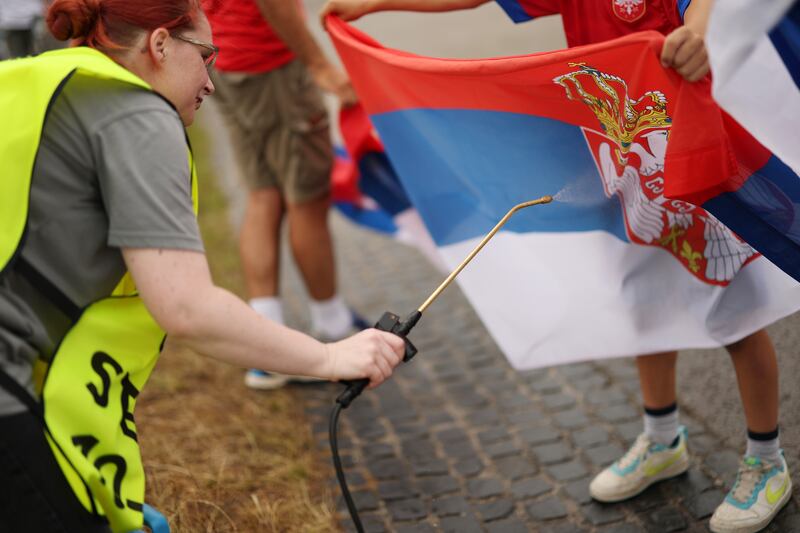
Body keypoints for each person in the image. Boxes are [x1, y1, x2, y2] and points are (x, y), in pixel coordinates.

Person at [320, 1, 792, 532]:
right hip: (624, 166)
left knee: (737, 312)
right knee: (645, 296)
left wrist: (701, 33)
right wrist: (374, 3)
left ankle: (765, 459)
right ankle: (662, 439)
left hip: (696, 157)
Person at [0, 0, 405, 531]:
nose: (212, 82)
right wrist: (330, 357)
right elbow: (187, 307)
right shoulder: (138, 112)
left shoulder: (39, 78)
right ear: (160, 45)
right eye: (207, 55)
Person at [203, 0, 366, 391]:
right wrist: (319, 65)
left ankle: (267, 346)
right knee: (306, 200)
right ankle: (332, 326)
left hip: (222, 57)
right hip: (269, 62)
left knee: (264, 195)